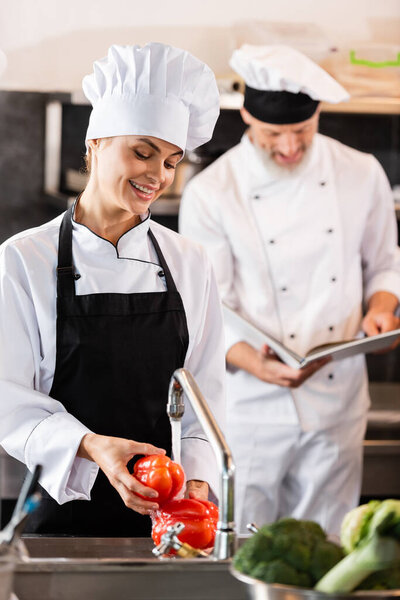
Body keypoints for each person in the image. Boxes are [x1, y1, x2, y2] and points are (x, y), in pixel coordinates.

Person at [0, 43, 226, 536]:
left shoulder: (189, 260)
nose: (157, 175)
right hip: (64, 506)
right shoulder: (23, 259)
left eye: (171, 161)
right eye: (142, 152)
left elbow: (207, 393)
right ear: (96, 141)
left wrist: (198, 484)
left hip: (166, 512)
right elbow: (7, 396)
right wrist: (94, 447)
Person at [179, 44, 400, 536]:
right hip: (249, 403)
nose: (290, 147)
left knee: (329, 542)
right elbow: (209, 306)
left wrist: (381, 311)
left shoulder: (361, 172)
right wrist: (253, 361)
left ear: (318, 115)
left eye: (302, 131)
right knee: (246, 542)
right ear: (246, 120)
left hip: (338, 398)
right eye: (273, 134)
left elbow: (385, 264)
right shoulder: (212, 192)